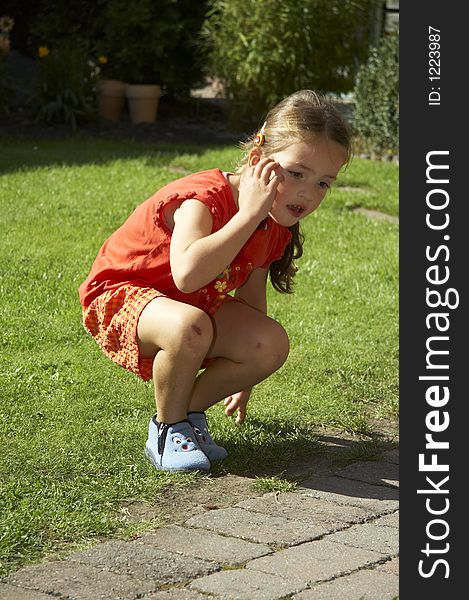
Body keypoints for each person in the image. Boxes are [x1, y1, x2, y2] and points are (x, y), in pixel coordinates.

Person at [78, 89, 352, 472]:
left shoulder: (273, 227)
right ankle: (166, 428)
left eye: (324, 182)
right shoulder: (203, 199)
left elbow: (251, 302)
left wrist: (248, 372)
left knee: (270, 343)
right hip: (121, 298)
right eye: (296, 173)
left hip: (190, 311)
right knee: (191, 325)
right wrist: (246, 217)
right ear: (258, 161)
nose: (308, 192)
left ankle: (188, 415)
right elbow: (187, 276)